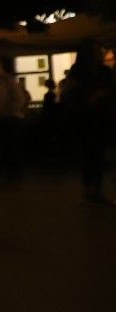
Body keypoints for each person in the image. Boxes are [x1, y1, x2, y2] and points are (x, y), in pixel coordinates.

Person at [60, 41, 114, 206]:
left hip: (95, 118)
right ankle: (92, 191)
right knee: (94, 154)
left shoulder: (88, 71)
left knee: (94, 154)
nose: (101, 52)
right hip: (90, 119)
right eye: (98, 50)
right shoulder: (88, 72)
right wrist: (94, 96)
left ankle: (91, 190)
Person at [0, 58, 28, 187]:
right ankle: (10, 178)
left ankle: (11, 178)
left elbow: (18, 100)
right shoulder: (3, 82)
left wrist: (6, 110)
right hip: (5, 119)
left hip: (8, 119)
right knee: (8, 149)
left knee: (9, 149)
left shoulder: (8, 82)